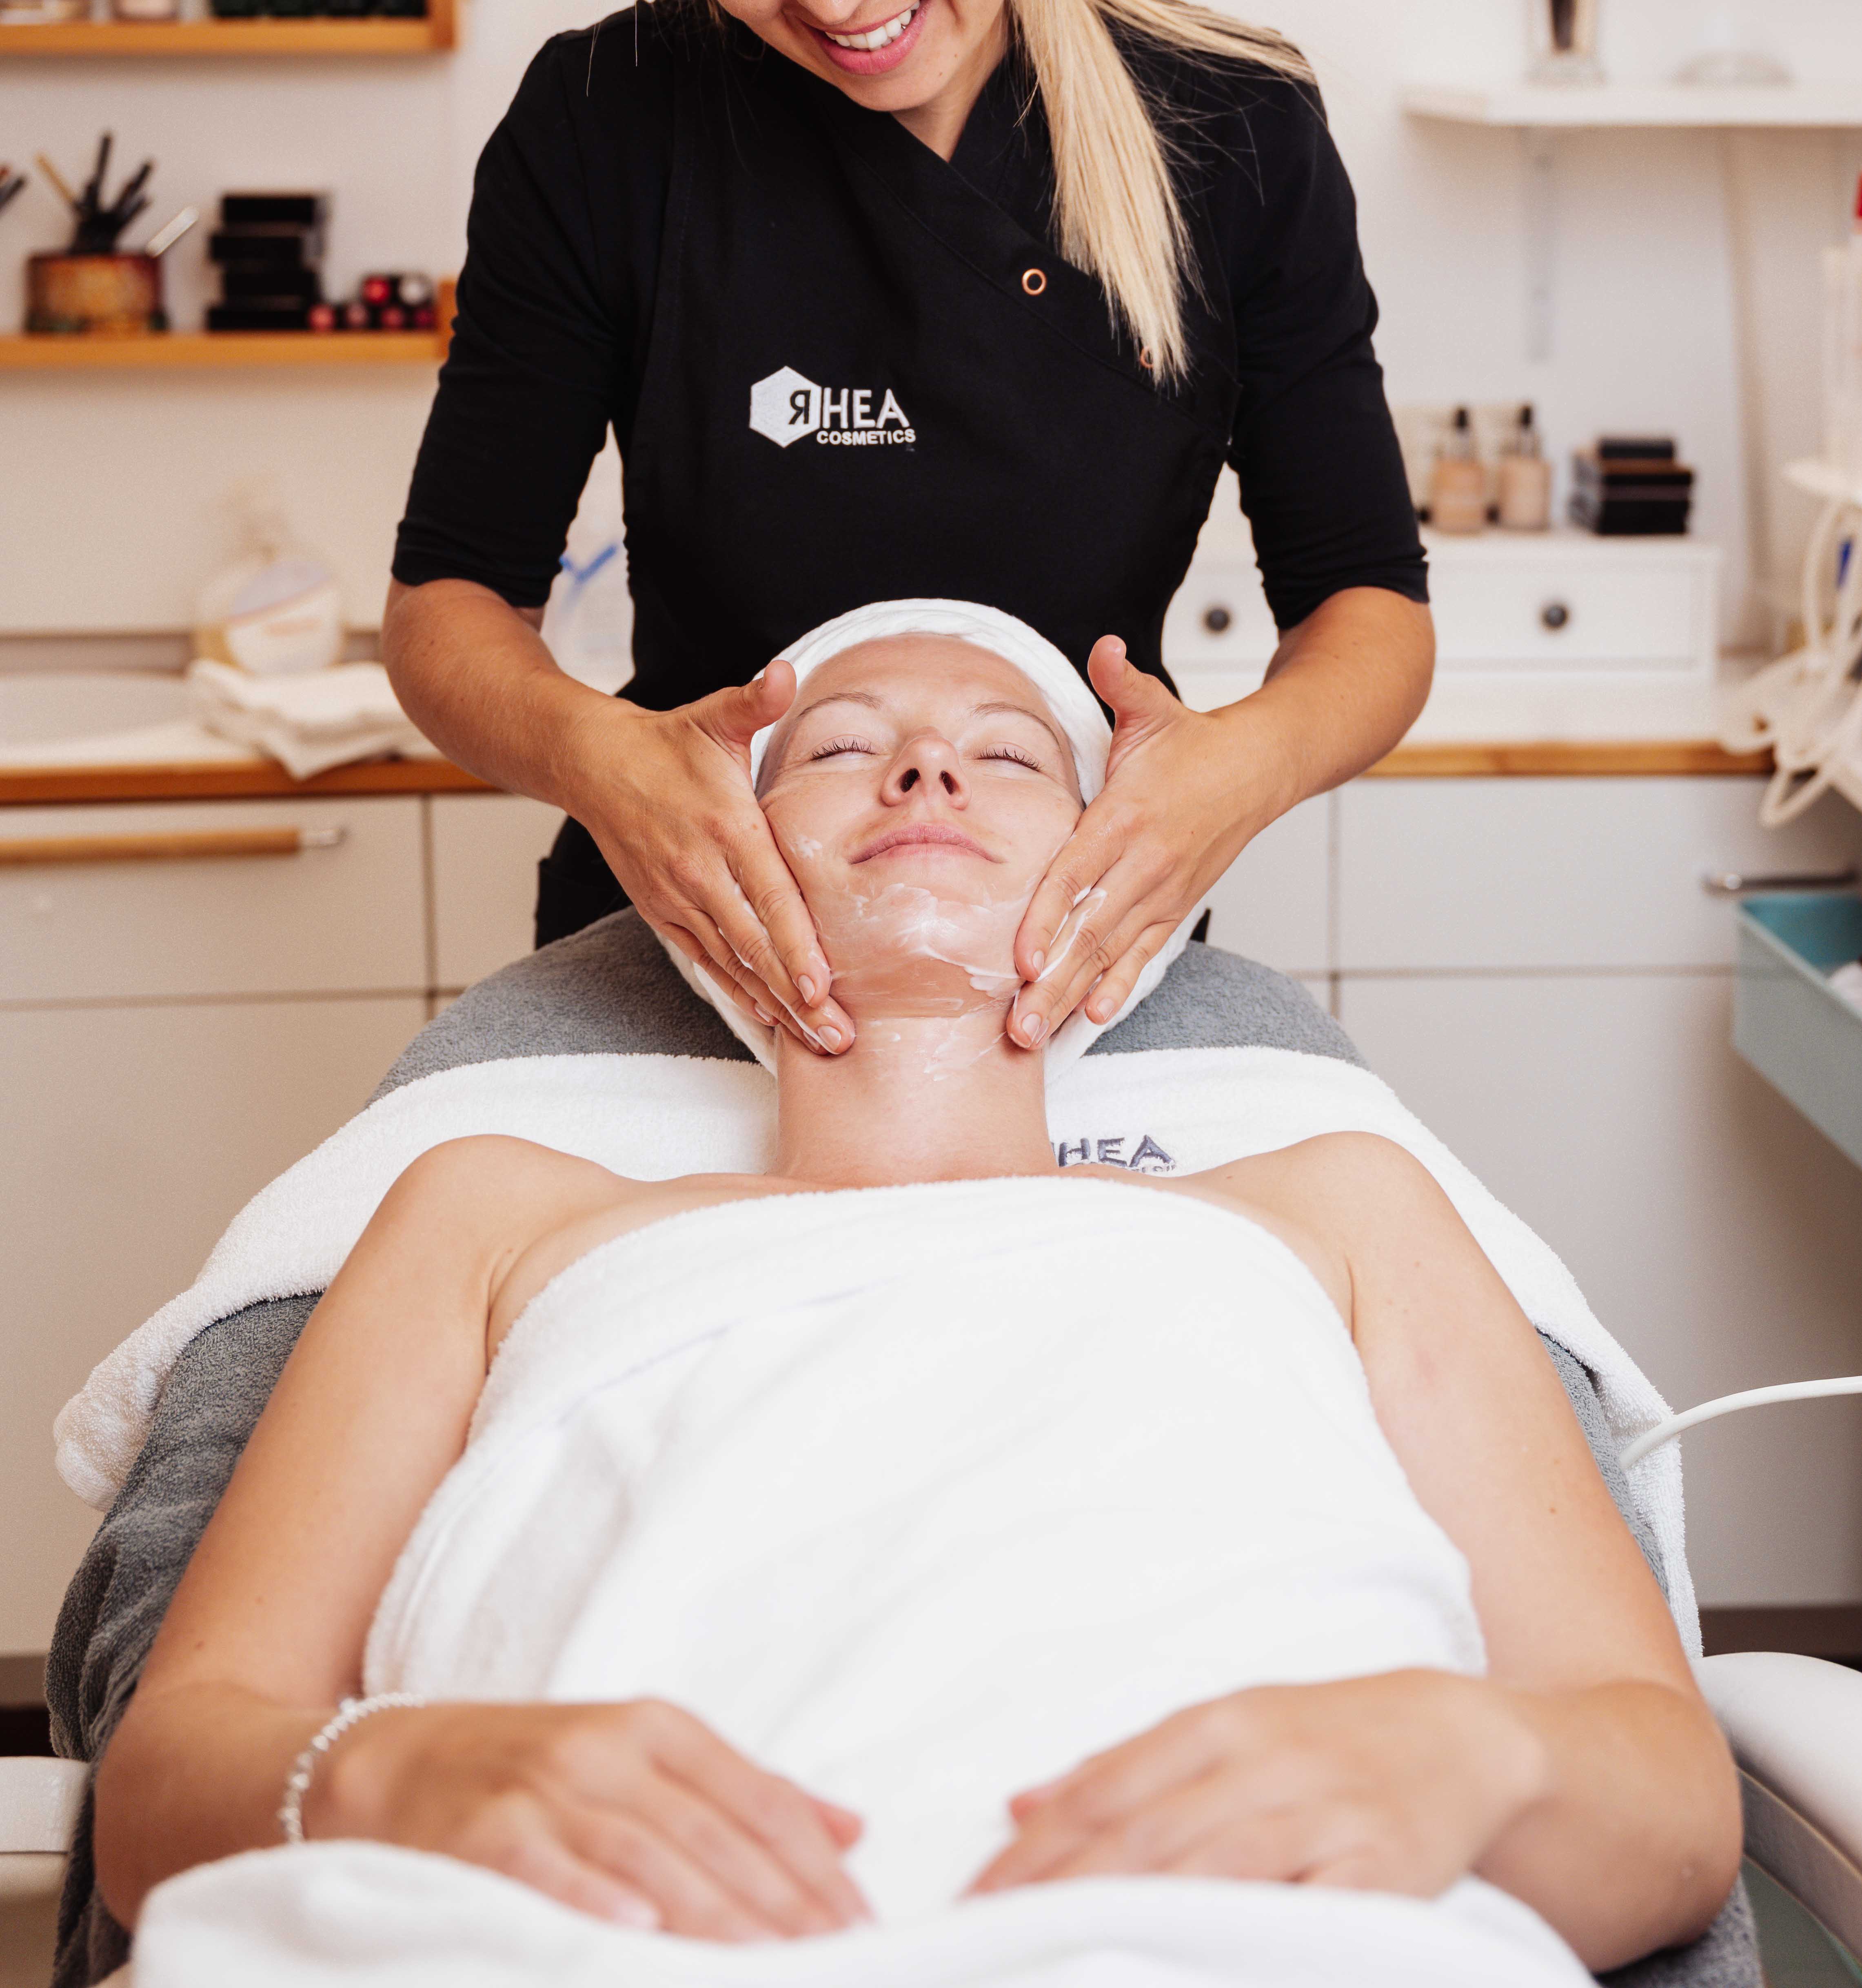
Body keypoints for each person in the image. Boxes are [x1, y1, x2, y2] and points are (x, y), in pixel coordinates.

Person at [97, 626, 1737, 1985]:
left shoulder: (1344, 1206)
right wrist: (393, 1770)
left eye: (1010, 756)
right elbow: (168, 1781)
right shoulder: (487, 1210)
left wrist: (1469, 1759)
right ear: (717, 866)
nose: (928, 770)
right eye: (838, 747)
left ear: (1120, 874)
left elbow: (1667, 1795)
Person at [381, 0, 1433, 1066]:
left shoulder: (1232, 135)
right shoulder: (607, 125)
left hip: (1069, 968)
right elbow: (448, 608)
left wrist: (1233, 769)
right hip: (679, 957)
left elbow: (1366, 610)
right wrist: (604, 761)